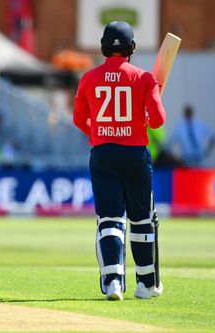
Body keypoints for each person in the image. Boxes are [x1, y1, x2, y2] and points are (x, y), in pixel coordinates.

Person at [73, 21, 166, 301]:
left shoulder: (88, 78)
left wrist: (101, 133)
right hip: (135, 154)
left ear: (103, 47)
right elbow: (159, 121)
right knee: (141, 220)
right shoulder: (144, 78)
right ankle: (146, 285)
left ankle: (113, 281)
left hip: (102, 154)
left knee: (110, 219)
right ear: (132, 48)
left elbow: (79, 119)